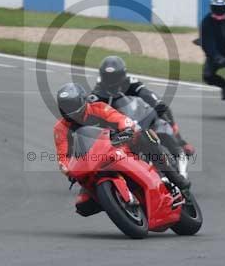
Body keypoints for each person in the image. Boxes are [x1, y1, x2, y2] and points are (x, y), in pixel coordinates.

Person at [53, 82, 190, 217]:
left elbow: (119, 119)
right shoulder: (60, 129)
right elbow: (63, 156)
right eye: (65, 107)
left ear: (82, 101)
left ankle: (174, 177)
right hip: (93, 162)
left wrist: (127, 128)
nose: (70, 110)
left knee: (145, 135)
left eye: (72, 105)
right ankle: (116, 203)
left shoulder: (99, 108)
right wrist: (68, 169)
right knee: (83, 206)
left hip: (118, 145)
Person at [89, 56, 196, 157]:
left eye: (114, 77)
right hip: (116, 125)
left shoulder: (130, 83)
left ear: (122, 75)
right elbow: (90, 110)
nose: (111, 81)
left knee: (162, 111)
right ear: (102, 76)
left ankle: (180, 143)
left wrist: (157, 107)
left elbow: (148, 96)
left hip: (134, 119)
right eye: (107, 77)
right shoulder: (98, 91)